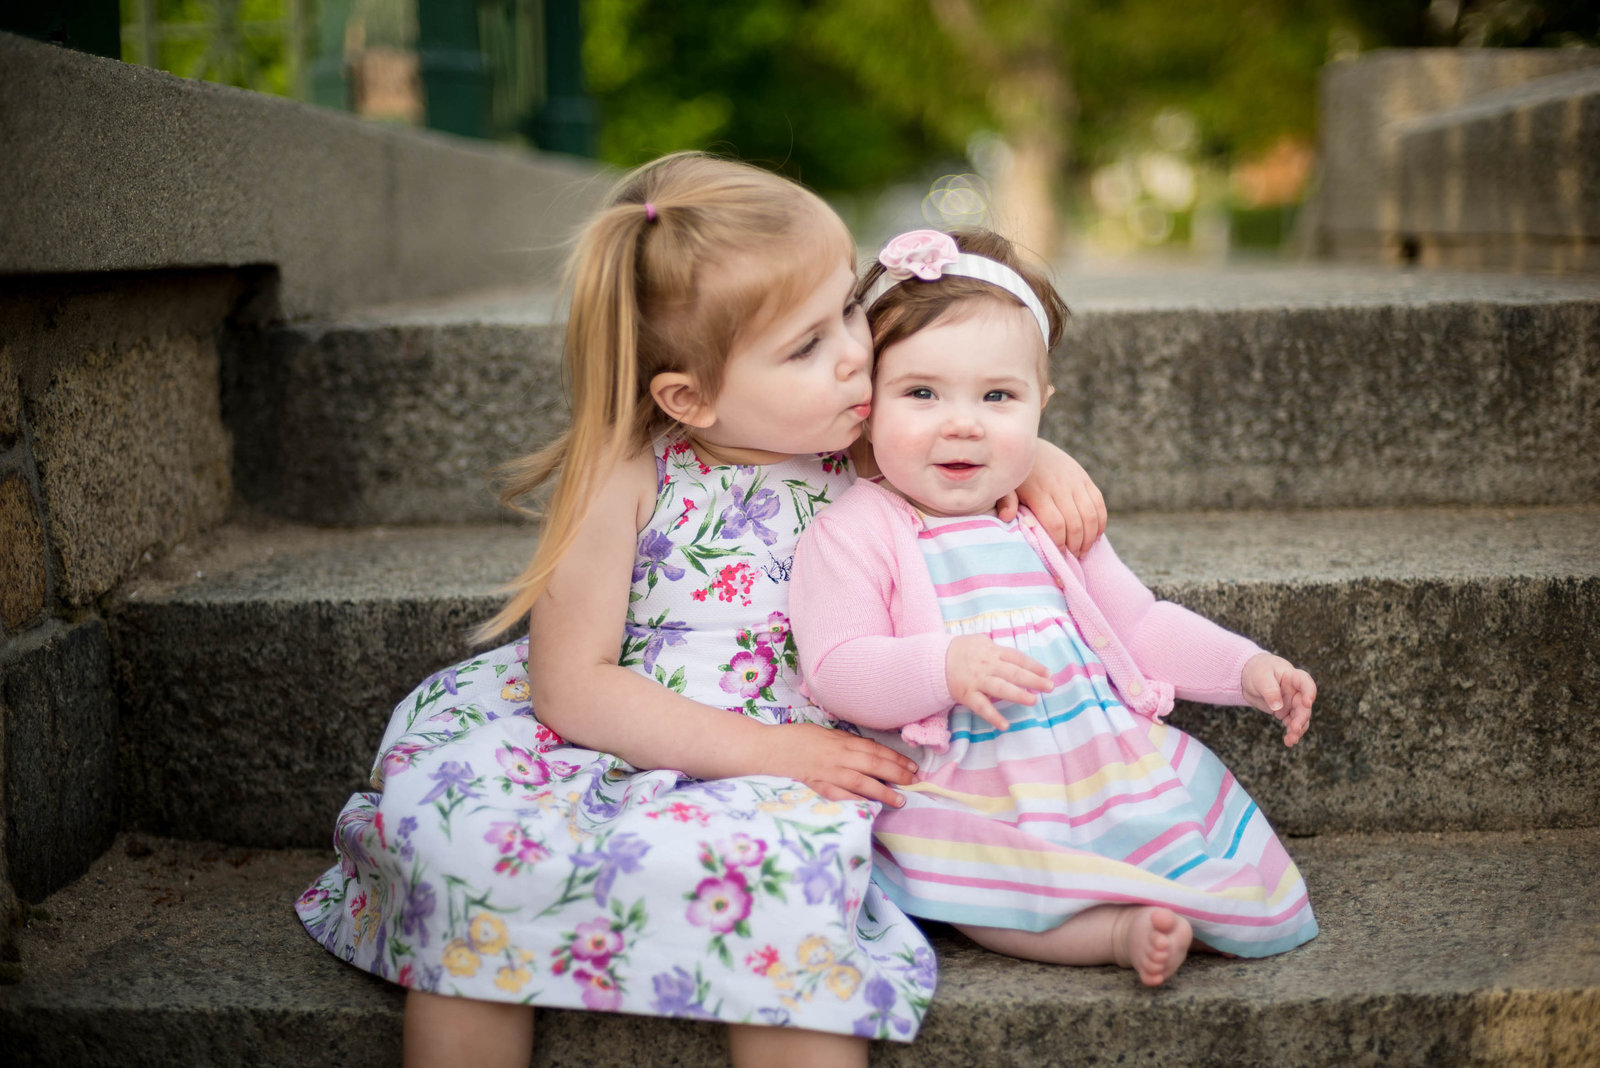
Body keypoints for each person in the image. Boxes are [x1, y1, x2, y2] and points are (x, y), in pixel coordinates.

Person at [295, 158, 1108, 1068]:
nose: (852, 351)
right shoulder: (627, 476)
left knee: (789, 878)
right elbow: (571, 686)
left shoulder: (865, 441)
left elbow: (966, 425)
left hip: (805, 748)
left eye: (846, 308)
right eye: (804, 346)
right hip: (637, 737)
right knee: (469, 852)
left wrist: (1039, 459)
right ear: (691, 397)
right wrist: (771, 752)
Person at [789, 228, 1319, 990]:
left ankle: (1159, 901)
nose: (963, 421)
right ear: (868, 406)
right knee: (986, 892)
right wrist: (940, 665)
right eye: (922, 394)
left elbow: (1139, 625)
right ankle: (1114, 934)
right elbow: (838, 665)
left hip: (1094, 758)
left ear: (1044, 406)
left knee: (1181, 840)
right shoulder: (860, 527)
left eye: (998, 396)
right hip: (967, 780)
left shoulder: (1043, 520)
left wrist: (1245, 667)